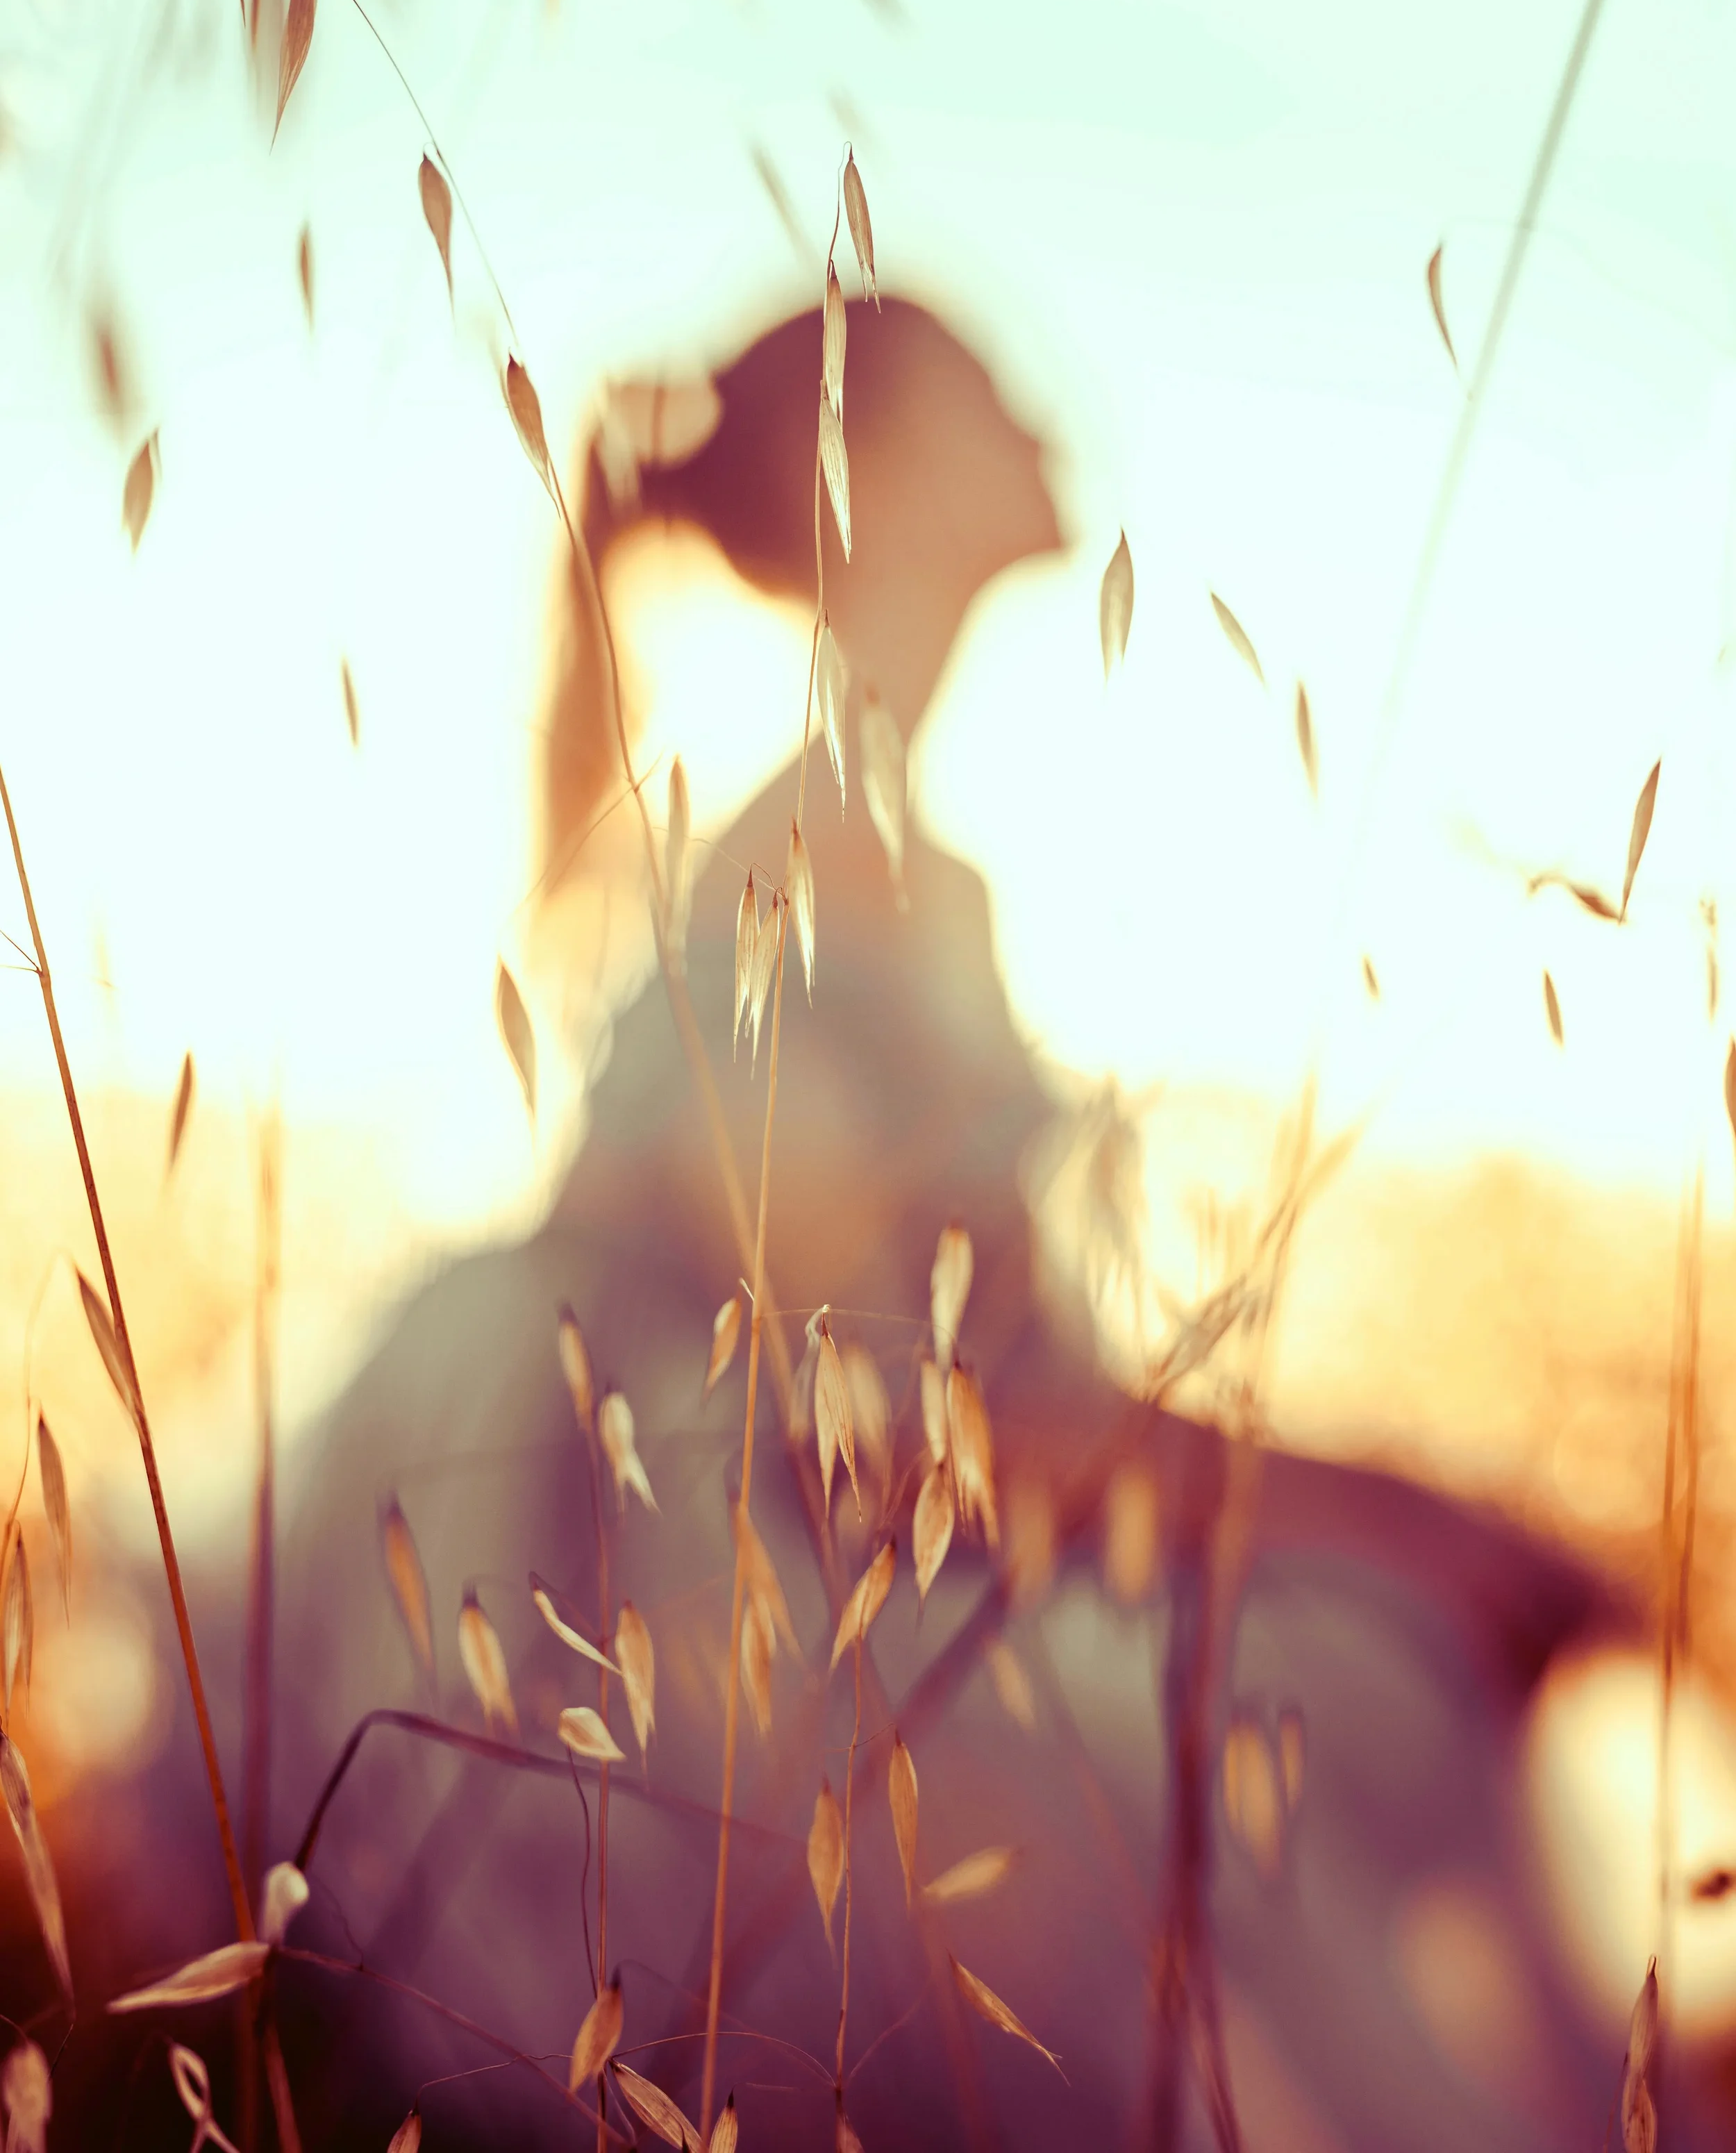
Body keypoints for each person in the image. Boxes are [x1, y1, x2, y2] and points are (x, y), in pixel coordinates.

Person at [58, 299, 1674, 2150]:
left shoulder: (901, 863)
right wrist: (1393, 1509)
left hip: (839, 1547)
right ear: (875, 468)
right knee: (1353, 1688)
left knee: (1373, 1678)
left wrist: (1380, 1501)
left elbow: (993, 1384)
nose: (1052, 411)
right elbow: (903, 1432)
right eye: (991, 381)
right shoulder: (797, 862)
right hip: (704, 1610)